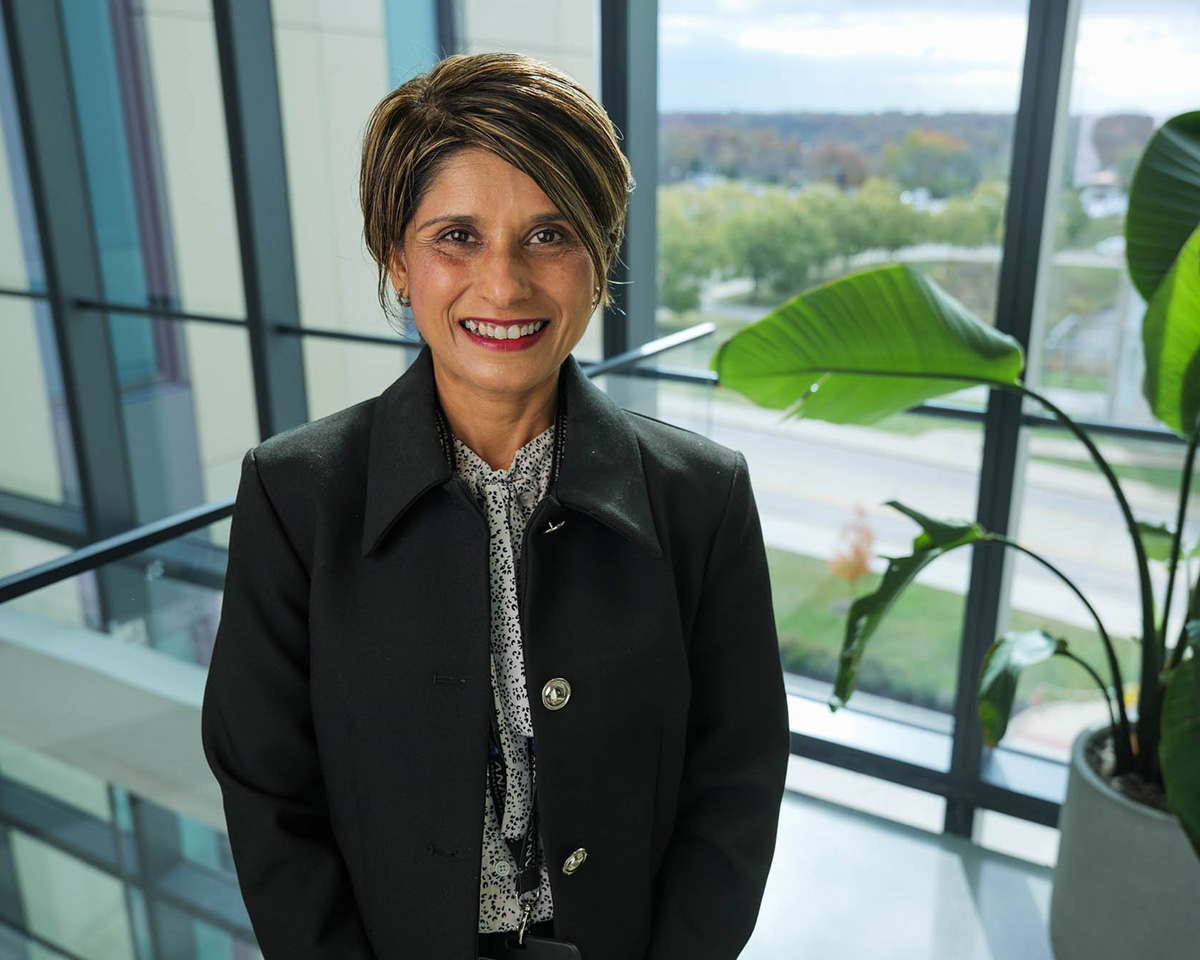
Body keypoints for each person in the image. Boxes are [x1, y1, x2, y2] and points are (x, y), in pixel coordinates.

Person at [201, 52, 789, 960]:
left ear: (600, 259)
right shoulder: (294, 495)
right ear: (399, 260)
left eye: (550, 234)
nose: (506, 284)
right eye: (457, 237)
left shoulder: (703, 497)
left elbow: (738, 783)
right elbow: (269, 797)